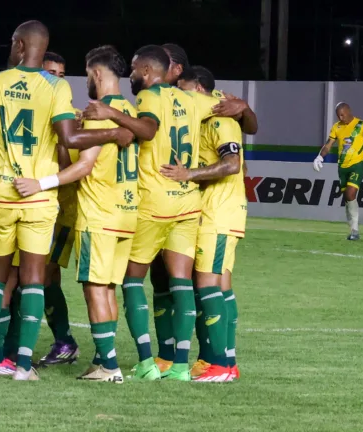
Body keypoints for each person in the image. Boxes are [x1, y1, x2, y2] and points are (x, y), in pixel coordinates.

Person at [0, 20, 133, 381]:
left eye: (13, 43)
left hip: (0, 193)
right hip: (39, 199)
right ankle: (23, 367)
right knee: (32, 280)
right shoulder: (56, 86)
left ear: (20, 44)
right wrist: (115, 132)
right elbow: (70, 139)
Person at [84, 45, 220, 381]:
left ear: (146, 71)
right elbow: (234, 112)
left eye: (133, 68)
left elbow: (147, 130)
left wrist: (112, 114)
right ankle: (180, 367)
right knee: (181, 283)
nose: (130, 74)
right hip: (187, 202)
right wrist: (242, 108)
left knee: (131, 279)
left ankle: (147, 361)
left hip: (153, 201)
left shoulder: (147, 99)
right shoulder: (191, 99)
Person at [14, 45, 137, 383]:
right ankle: (102, 359)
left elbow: (83, 167)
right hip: (127, 211)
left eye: (85, 74)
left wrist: (41, 183)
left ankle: (109, 366)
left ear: (96, 73)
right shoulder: (129, 110)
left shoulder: (102, 111)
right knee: (108, 288)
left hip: (98, 213)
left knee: (95, 289)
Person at [167, 79, 246, 382]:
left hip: (219, 214)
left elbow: (232, 165)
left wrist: (188, 174)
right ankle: (224, 361)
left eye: (186, 90)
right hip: (216, 213)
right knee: (222, 286)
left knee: (207, 284)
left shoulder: (220, 121)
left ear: (199, 89)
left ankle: (222, 367)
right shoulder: (197, 123)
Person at [37, 51, 82, 366]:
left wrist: (63, 139)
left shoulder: (74, 116)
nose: (56, 79)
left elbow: (72, 167)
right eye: (50, 72)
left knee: (41, 274)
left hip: (62, 207)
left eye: (61, 74)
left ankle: (64, 341)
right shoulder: (29, 109)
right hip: (32, 204)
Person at [313, 102, 363, 240]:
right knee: (348, 198)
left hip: (357, 164)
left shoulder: (361, 125)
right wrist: (320, 157)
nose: (341, 117)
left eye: (342, 114)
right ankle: (353, 229)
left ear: (348, 111)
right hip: (342, 167)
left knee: (350, 193)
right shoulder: (336, 127)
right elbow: (328, 145)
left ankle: (355, 231)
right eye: (338, 115)